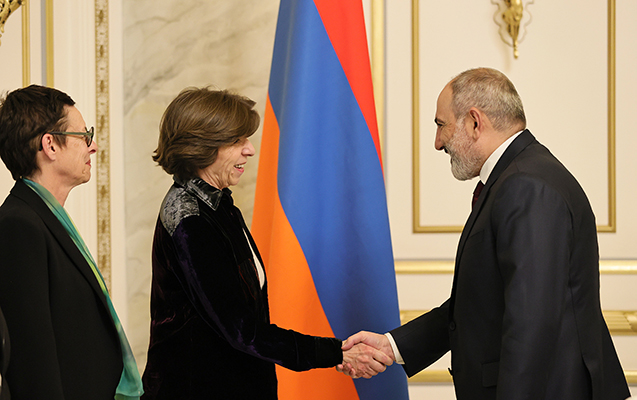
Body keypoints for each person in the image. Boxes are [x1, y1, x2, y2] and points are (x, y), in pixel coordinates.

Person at [341, 68, 631, 399]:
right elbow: (480, 302)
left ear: (474, 122)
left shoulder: (526, 186)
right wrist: (392, 346)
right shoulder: (518, 177)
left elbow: (531, 325)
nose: (437, 142)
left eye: (441, 125)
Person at [141, 87, 391, 399]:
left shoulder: (216, 204)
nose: (250, 149)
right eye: (237, 140)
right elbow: (242, 331)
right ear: (201, 146)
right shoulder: (191, 220)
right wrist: (335, 352)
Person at [0, 85, 143, 400]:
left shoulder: (44, 218)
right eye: (84, 136)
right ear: (50, 145)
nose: (93, 146)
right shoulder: (18, 225)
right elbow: (31, 361)